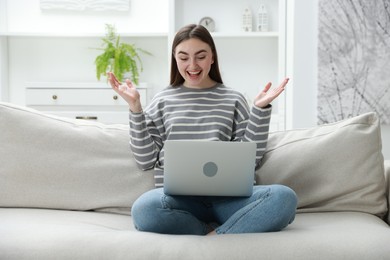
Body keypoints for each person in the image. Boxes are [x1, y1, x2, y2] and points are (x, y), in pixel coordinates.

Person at [108, 24, 297, 235]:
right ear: (175, 59)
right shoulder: (162, 100)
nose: (192, 65)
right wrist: (135, 109)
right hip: (180, 203)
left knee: (284, 198)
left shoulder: (234, 99)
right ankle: (219, 231)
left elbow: (252, 159)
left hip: (231, 202)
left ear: (212, 57)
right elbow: (145, 161)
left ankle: (215, 236)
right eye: (183, 57)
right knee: (144, 209)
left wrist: (260, 110)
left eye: (200, 56)